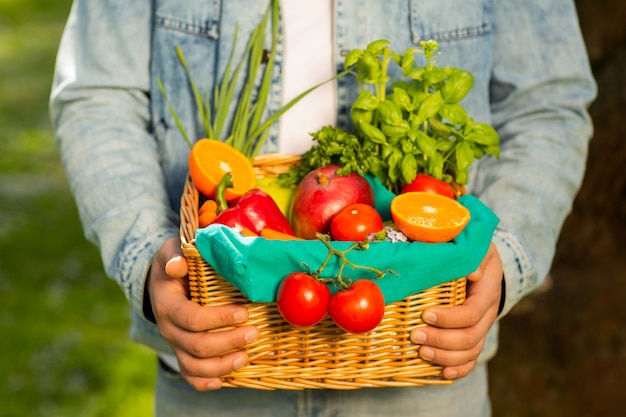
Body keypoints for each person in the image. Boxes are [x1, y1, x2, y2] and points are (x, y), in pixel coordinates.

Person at [49, 1, 596, 416]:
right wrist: (150, 259)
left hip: (422, 370)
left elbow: (546, 103)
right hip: (216, 367)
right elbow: (97, 96)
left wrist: (503, 259)